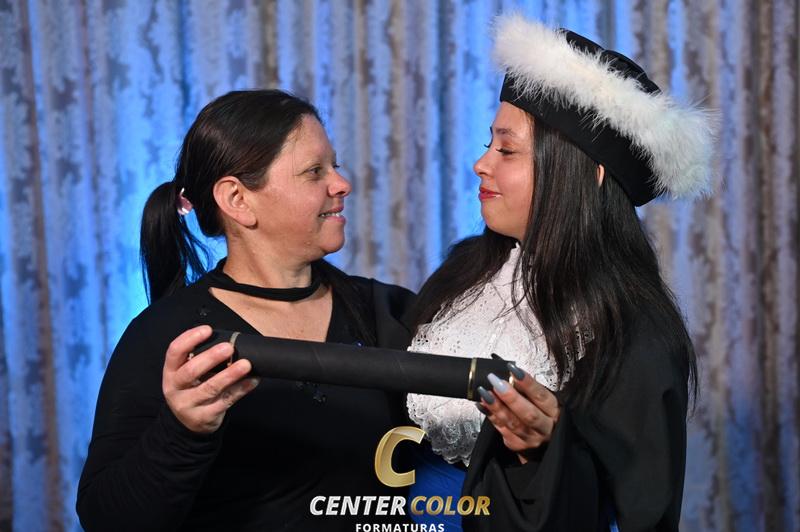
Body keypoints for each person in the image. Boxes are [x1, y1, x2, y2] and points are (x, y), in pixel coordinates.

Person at [406, 15, 714, 532]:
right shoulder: (465, 271)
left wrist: (549, 448)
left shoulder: (638, 332)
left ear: (588, 172)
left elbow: (637, 513)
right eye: (488, 144)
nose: (481, 164)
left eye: (507, 150)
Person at [76, 90, 415, 531]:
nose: (341, 184)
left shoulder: (388, 311)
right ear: (237, 199)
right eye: (315, 171)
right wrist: (182, 430)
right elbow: (106, 518)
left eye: (335, 166)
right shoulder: (167, 336)